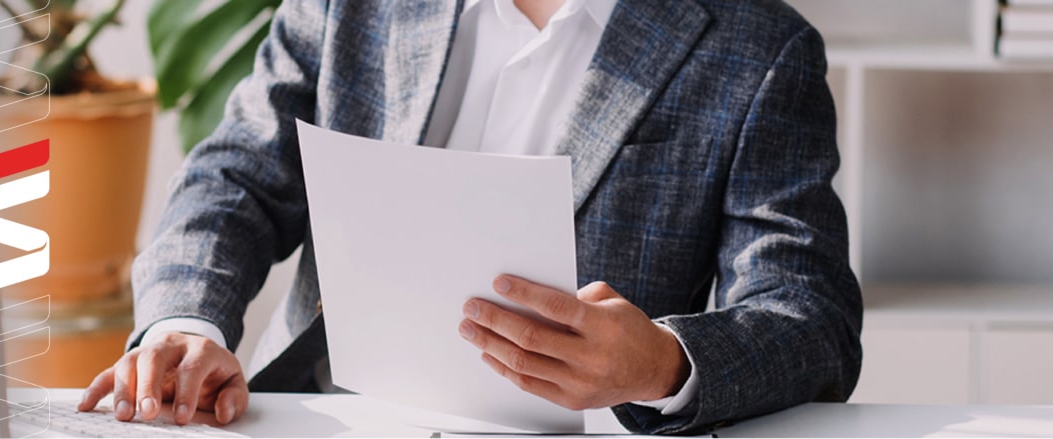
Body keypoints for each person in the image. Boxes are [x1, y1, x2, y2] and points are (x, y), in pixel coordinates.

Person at [79, 0, 863, 434]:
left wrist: (661, 363)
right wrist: (186, 324)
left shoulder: (759, 49)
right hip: (320, 419)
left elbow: (811, 319)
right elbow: (235, 177)